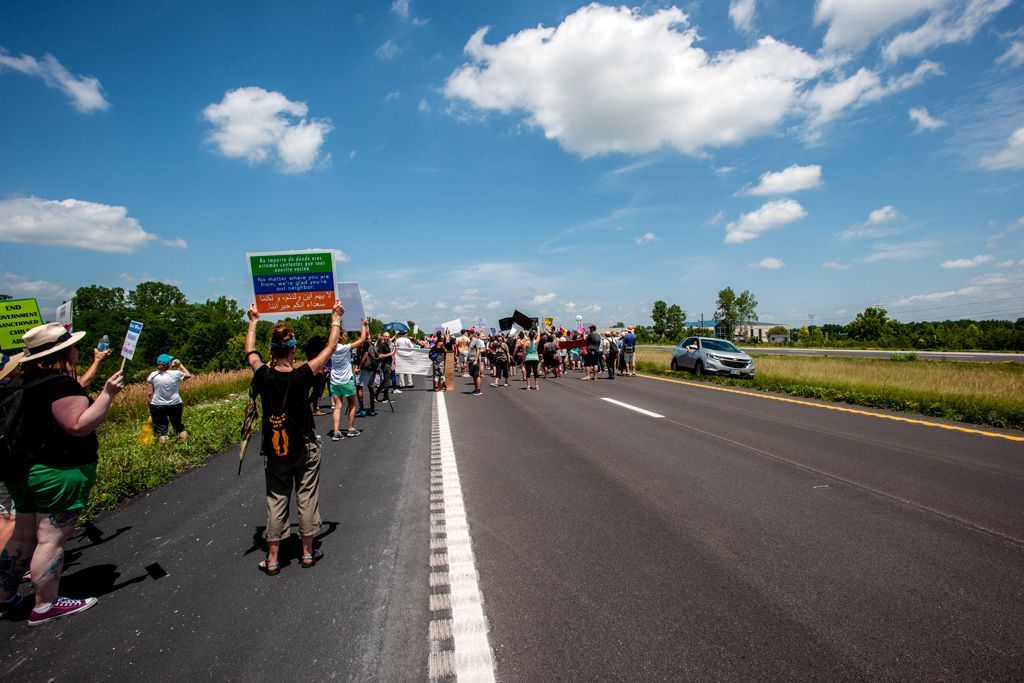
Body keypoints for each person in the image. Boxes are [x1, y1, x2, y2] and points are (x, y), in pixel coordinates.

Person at [0, 322, 124, 625]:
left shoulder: (24, 382)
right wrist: (107, 395)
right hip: (56, 471)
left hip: (21, 470)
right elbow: (78, 425)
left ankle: (4, 596)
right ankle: (46, 604)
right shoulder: (60, 384)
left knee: (23, 535)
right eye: (72, 344)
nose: (77, 348)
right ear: (63, 350)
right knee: (50, 539)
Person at [245, 300, 343, 575]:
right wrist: (335, 317)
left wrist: (253, 321)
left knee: (276, 499)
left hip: (275, 449)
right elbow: (330, 348)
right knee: (307, 497)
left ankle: (273, 557)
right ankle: (308, 552)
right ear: (294, 350)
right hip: (304, 445)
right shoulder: (303, 375)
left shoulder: (263, 375)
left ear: (271, 351)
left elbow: (250, 352)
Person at [0, 352, 24, 564]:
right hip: (11, 461)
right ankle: (13, 564)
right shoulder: (12, 396)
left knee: (3, 514)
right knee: (15, 516)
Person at [328, 319, 368, 441]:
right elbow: (362, 340)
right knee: (351, 405)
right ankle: (351, 429)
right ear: (340, 336)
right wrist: (363, 326)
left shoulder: (330, 348)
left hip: (334, 381)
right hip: (346, 379)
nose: (346, 335)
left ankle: (336, 432)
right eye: (345, 333)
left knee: (337, 407)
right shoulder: (344, 347)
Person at [147, 354, 192, 442]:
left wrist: (149, 407)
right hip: (175, 404)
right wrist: (180, 365)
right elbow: (188, 375)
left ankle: (165, 452)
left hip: (157, 405)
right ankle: (184, 446)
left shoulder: (153, 375)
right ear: (169, 364)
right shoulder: (176, 373)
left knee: (162, 430)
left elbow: (149, 393)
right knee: (178, 426)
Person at [467, 329, 485, 396]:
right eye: (468, 333)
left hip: (475, 360)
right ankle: (476, 388)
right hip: (470, 360)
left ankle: (479, 390)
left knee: (477, 375)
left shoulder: (476, 341)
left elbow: (478, 351)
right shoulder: (470, 341)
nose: (469, 334)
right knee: (473, 375)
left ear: (473, 333)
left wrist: (476, 360)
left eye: (470, 333)